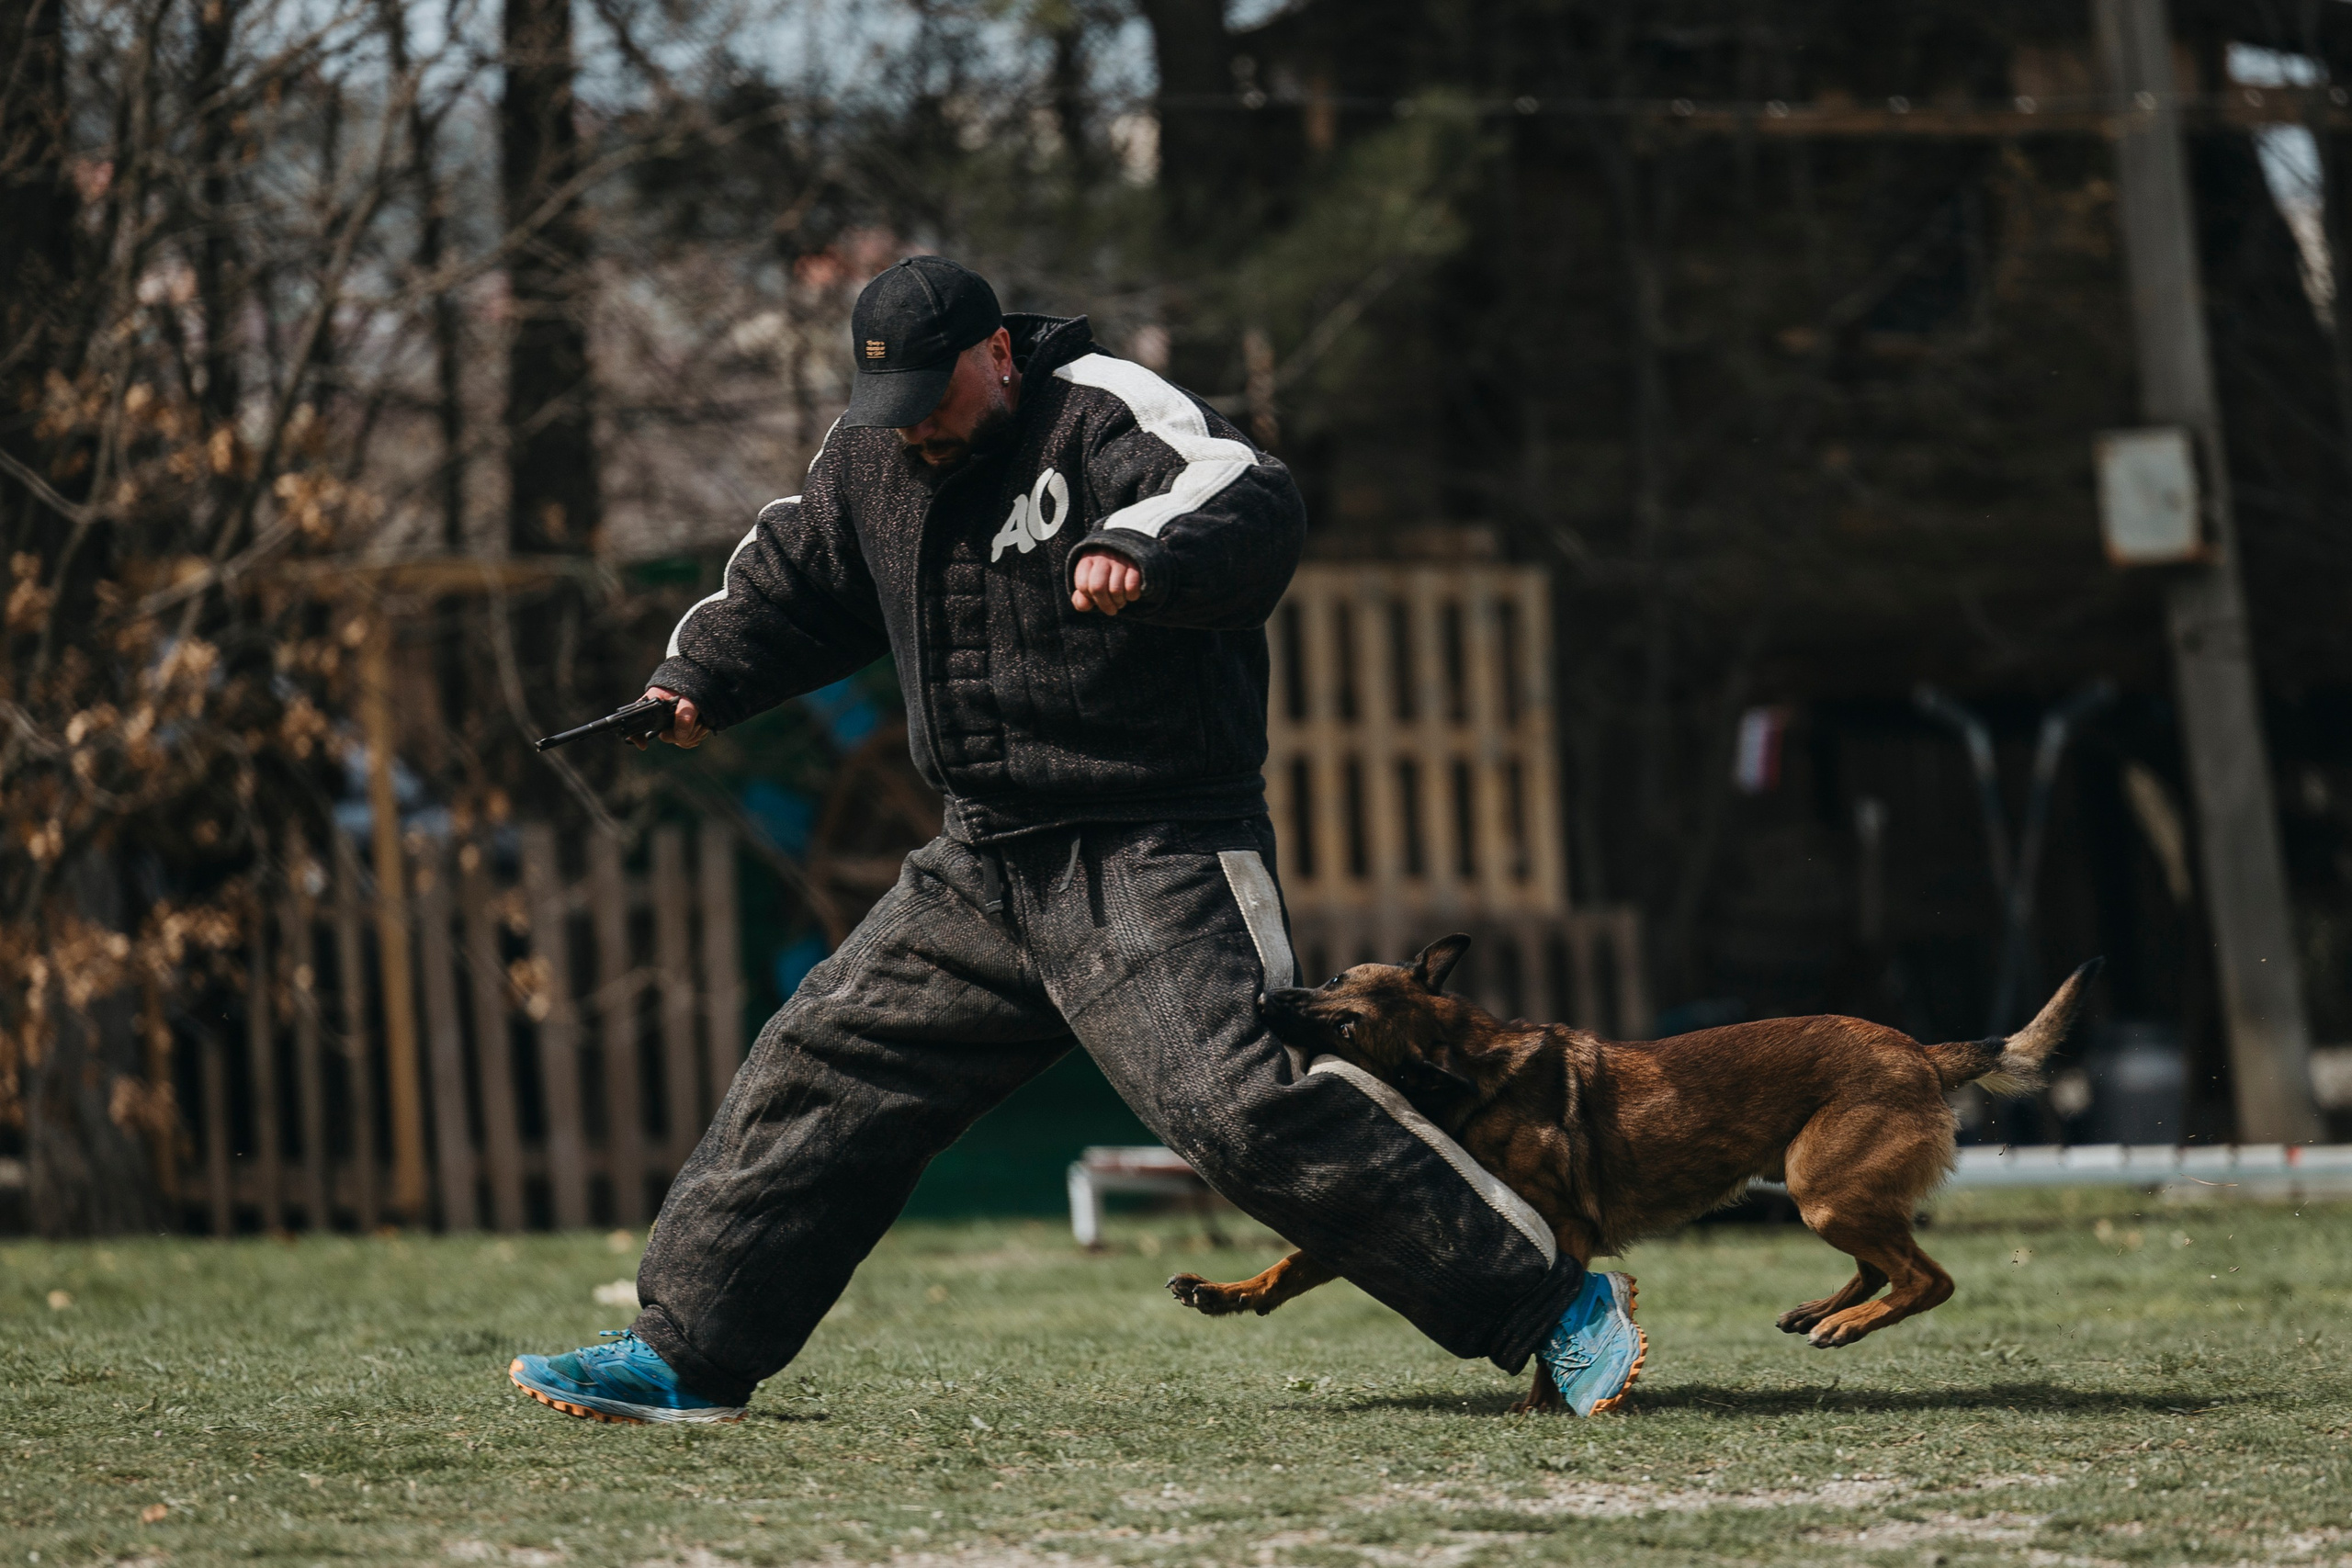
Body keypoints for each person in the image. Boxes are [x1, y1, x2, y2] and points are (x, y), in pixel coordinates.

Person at [507, 256, 1640, 1426]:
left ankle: (1556, 1305)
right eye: (891, 408)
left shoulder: (1101, 411)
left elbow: (1242, 491)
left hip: (1150, 845)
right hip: (980, 861)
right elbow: (798, 575)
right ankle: (687, 1357)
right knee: (821, 1067)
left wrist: (1142, 551)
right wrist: (698, 678)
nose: (916, 431)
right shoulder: (869, 456)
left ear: (997, 352)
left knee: (1240, 1108)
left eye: (935, 400)